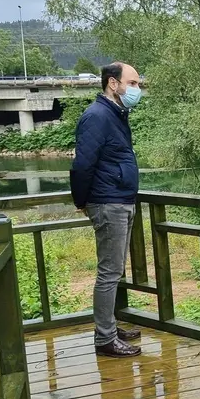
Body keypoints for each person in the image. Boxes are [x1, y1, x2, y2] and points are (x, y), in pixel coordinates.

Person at [70, 62, 145, 358]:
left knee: (115, 270)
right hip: (108, 202)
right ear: (113, 84)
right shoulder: (97, 116)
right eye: (133, 83)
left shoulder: (116, 114)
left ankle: (109, 327)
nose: (137, 89)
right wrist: (82, 201)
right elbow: (83, 164)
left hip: (121, 199)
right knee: (109, 272)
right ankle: (105, 339)